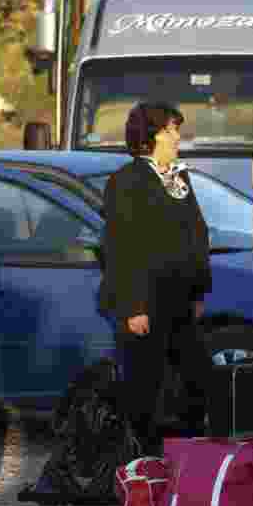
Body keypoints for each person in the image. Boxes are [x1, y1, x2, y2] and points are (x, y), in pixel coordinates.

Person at [98, 101, 212, 456]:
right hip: (145, 303)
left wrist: (198, 291)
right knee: (145, 391)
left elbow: (196, 234)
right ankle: (143, 465)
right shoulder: (127, 181)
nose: (177, 136)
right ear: (151, 136)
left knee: (197, 381)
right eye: (170, 129)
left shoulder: (180, 178)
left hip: (179, 301)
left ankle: (187, 460)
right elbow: (122, 246)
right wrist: (134, 307)